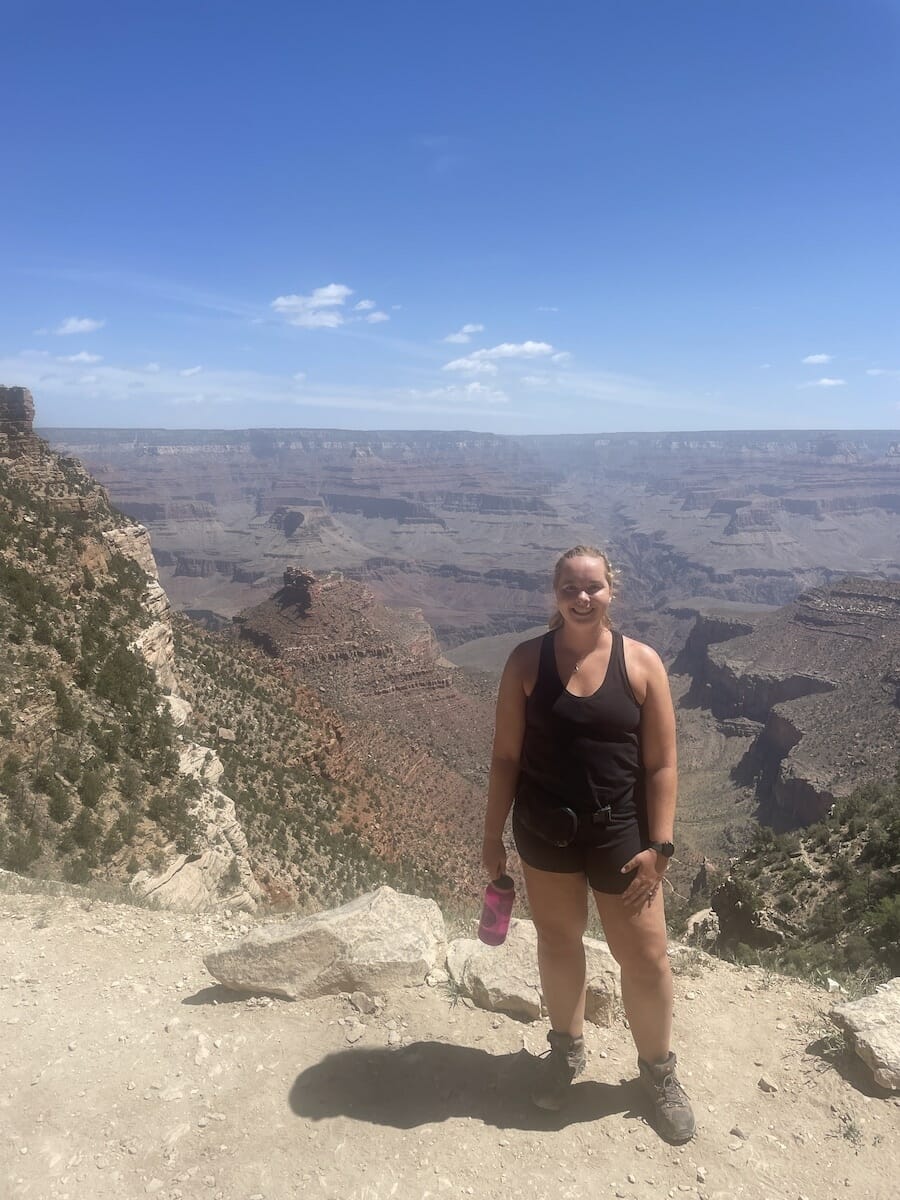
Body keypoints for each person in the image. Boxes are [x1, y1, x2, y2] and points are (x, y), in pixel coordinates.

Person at [481, 545, 695, 1143]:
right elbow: (504, 757)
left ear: (612, 592)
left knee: (647, 958)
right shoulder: (527, 662)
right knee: (557, 941)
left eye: (593, 587)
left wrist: (662, 846)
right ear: (555, 592)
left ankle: (658, 1073)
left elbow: (662, 765)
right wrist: (490, 835)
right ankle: (566, 1053)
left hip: (623, 836)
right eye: (571, 588)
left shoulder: (642, 664)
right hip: (545, 831)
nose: (582, 598)